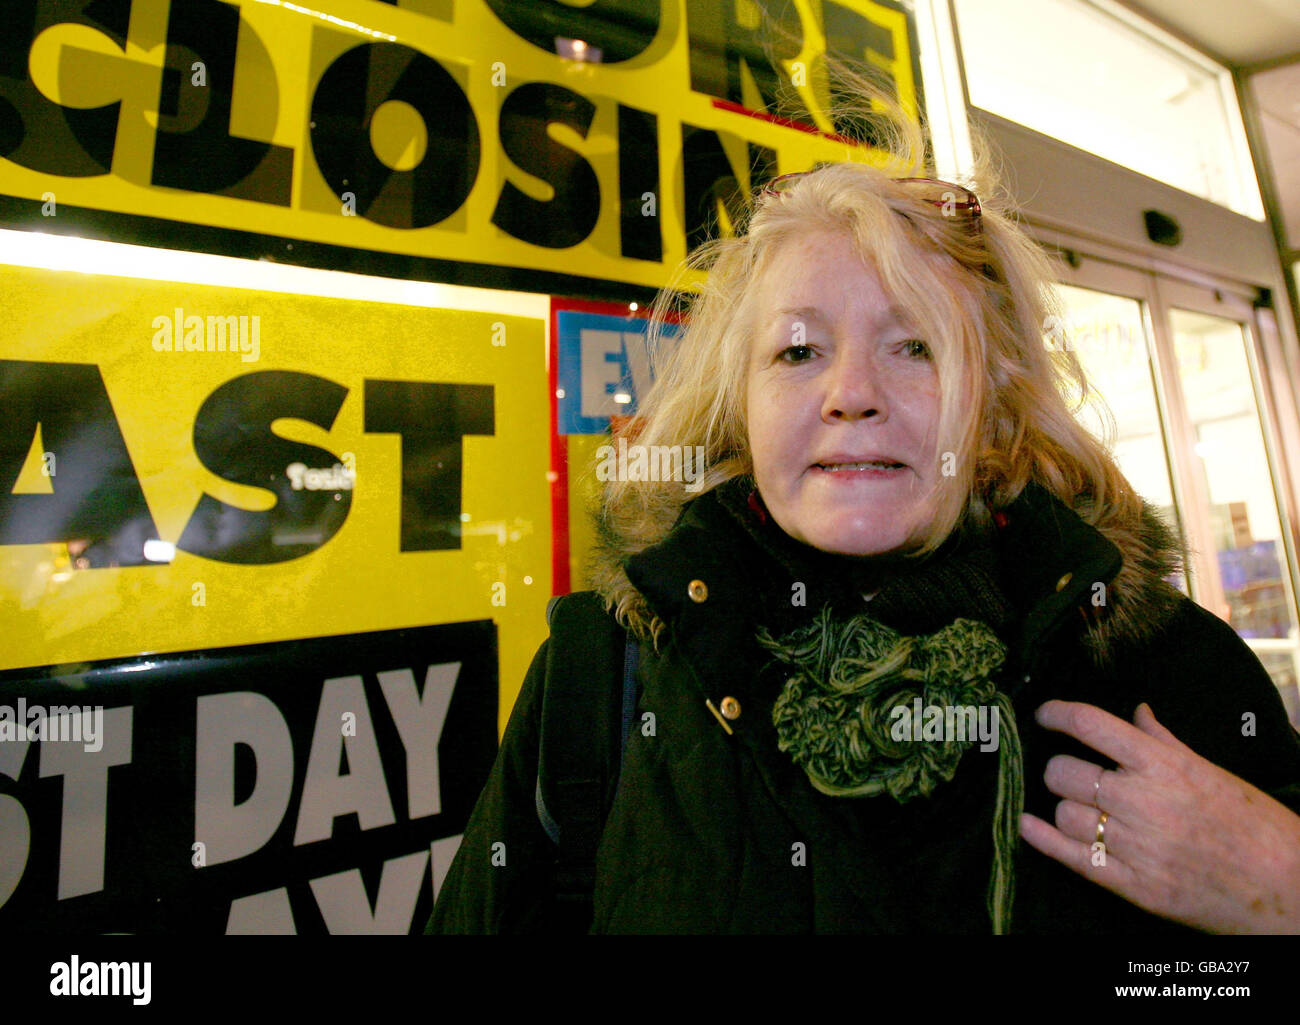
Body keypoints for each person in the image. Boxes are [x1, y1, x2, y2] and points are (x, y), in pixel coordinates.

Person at [428, 99, 1300, 934]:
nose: (852, 394)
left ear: (993, 404)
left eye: (915, 345)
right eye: (799, 350)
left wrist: (1279, 881)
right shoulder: (600, 679)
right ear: (742, 407)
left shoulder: (1164, 669)